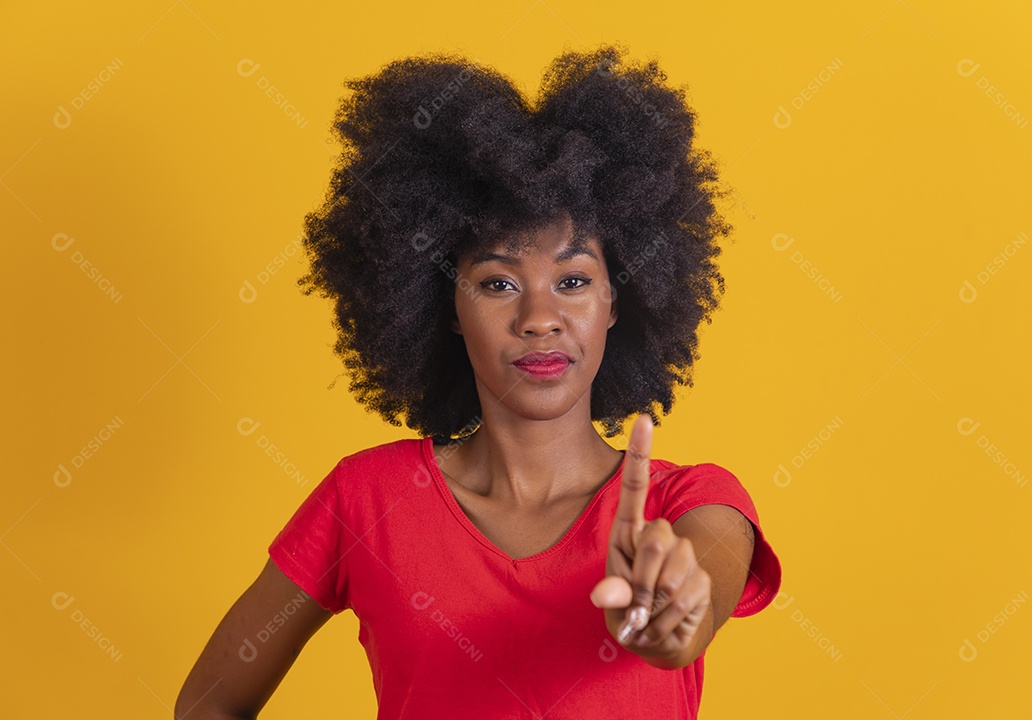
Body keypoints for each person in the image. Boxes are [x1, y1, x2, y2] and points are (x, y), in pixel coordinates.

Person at [175, 42, 781, 719]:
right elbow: (207, 705)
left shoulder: (692, 503)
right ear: (447, 309)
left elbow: (691, 609)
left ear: (619, 300)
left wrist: (666, 611)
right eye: (498, 283)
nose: (540, 318)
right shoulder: (366, 500)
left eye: (574, 281)